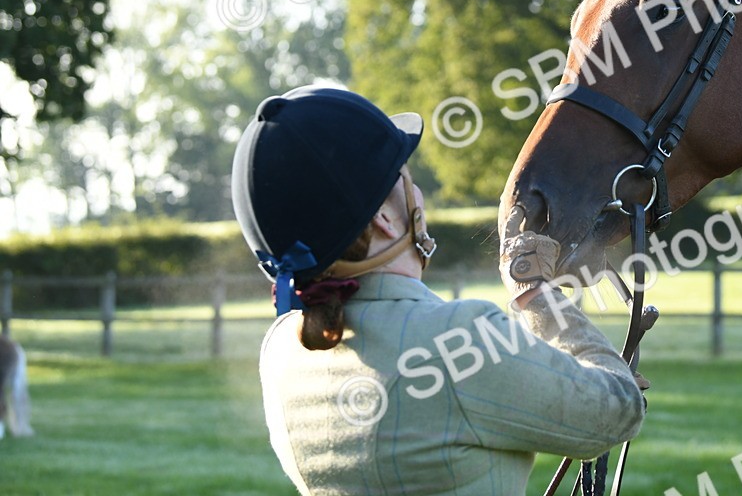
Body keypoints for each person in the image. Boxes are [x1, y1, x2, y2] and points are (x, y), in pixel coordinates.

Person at [231, 85, 644, 496]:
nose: (417, 193)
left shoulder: (281, 350)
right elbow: (618, 410)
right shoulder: (461, 339)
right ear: (383, 218)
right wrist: (535, 294)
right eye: (405, 177)